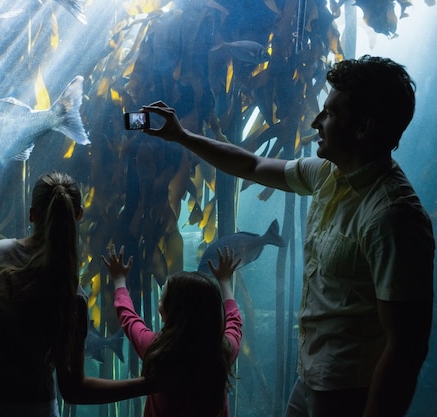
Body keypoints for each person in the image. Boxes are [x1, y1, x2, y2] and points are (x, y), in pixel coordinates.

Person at [140, 55, 435, 417]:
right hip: (309, 376)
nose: (316, 121)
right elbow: (252, 165)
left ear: (364, 126)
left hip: (350, 391)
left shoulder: (393, 216)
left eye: (330, 113)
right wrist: (181, 136)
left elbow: (406, 347)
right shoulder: (327, 173)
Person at [0, 172, 151, 417]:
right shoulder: (71, 293)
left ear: (32, 215)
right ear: (79, 215)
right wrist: (148, 384)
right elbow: (74, 389)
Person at [102, 244, 243, 417]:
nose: (159, 304)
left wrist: (119, 280)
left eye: (161, 300)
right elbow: (234, 321)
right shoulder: (222, 352)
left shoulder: (158, 350)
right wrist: (225, 281)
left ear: (168, 313)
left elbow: (129, 318)